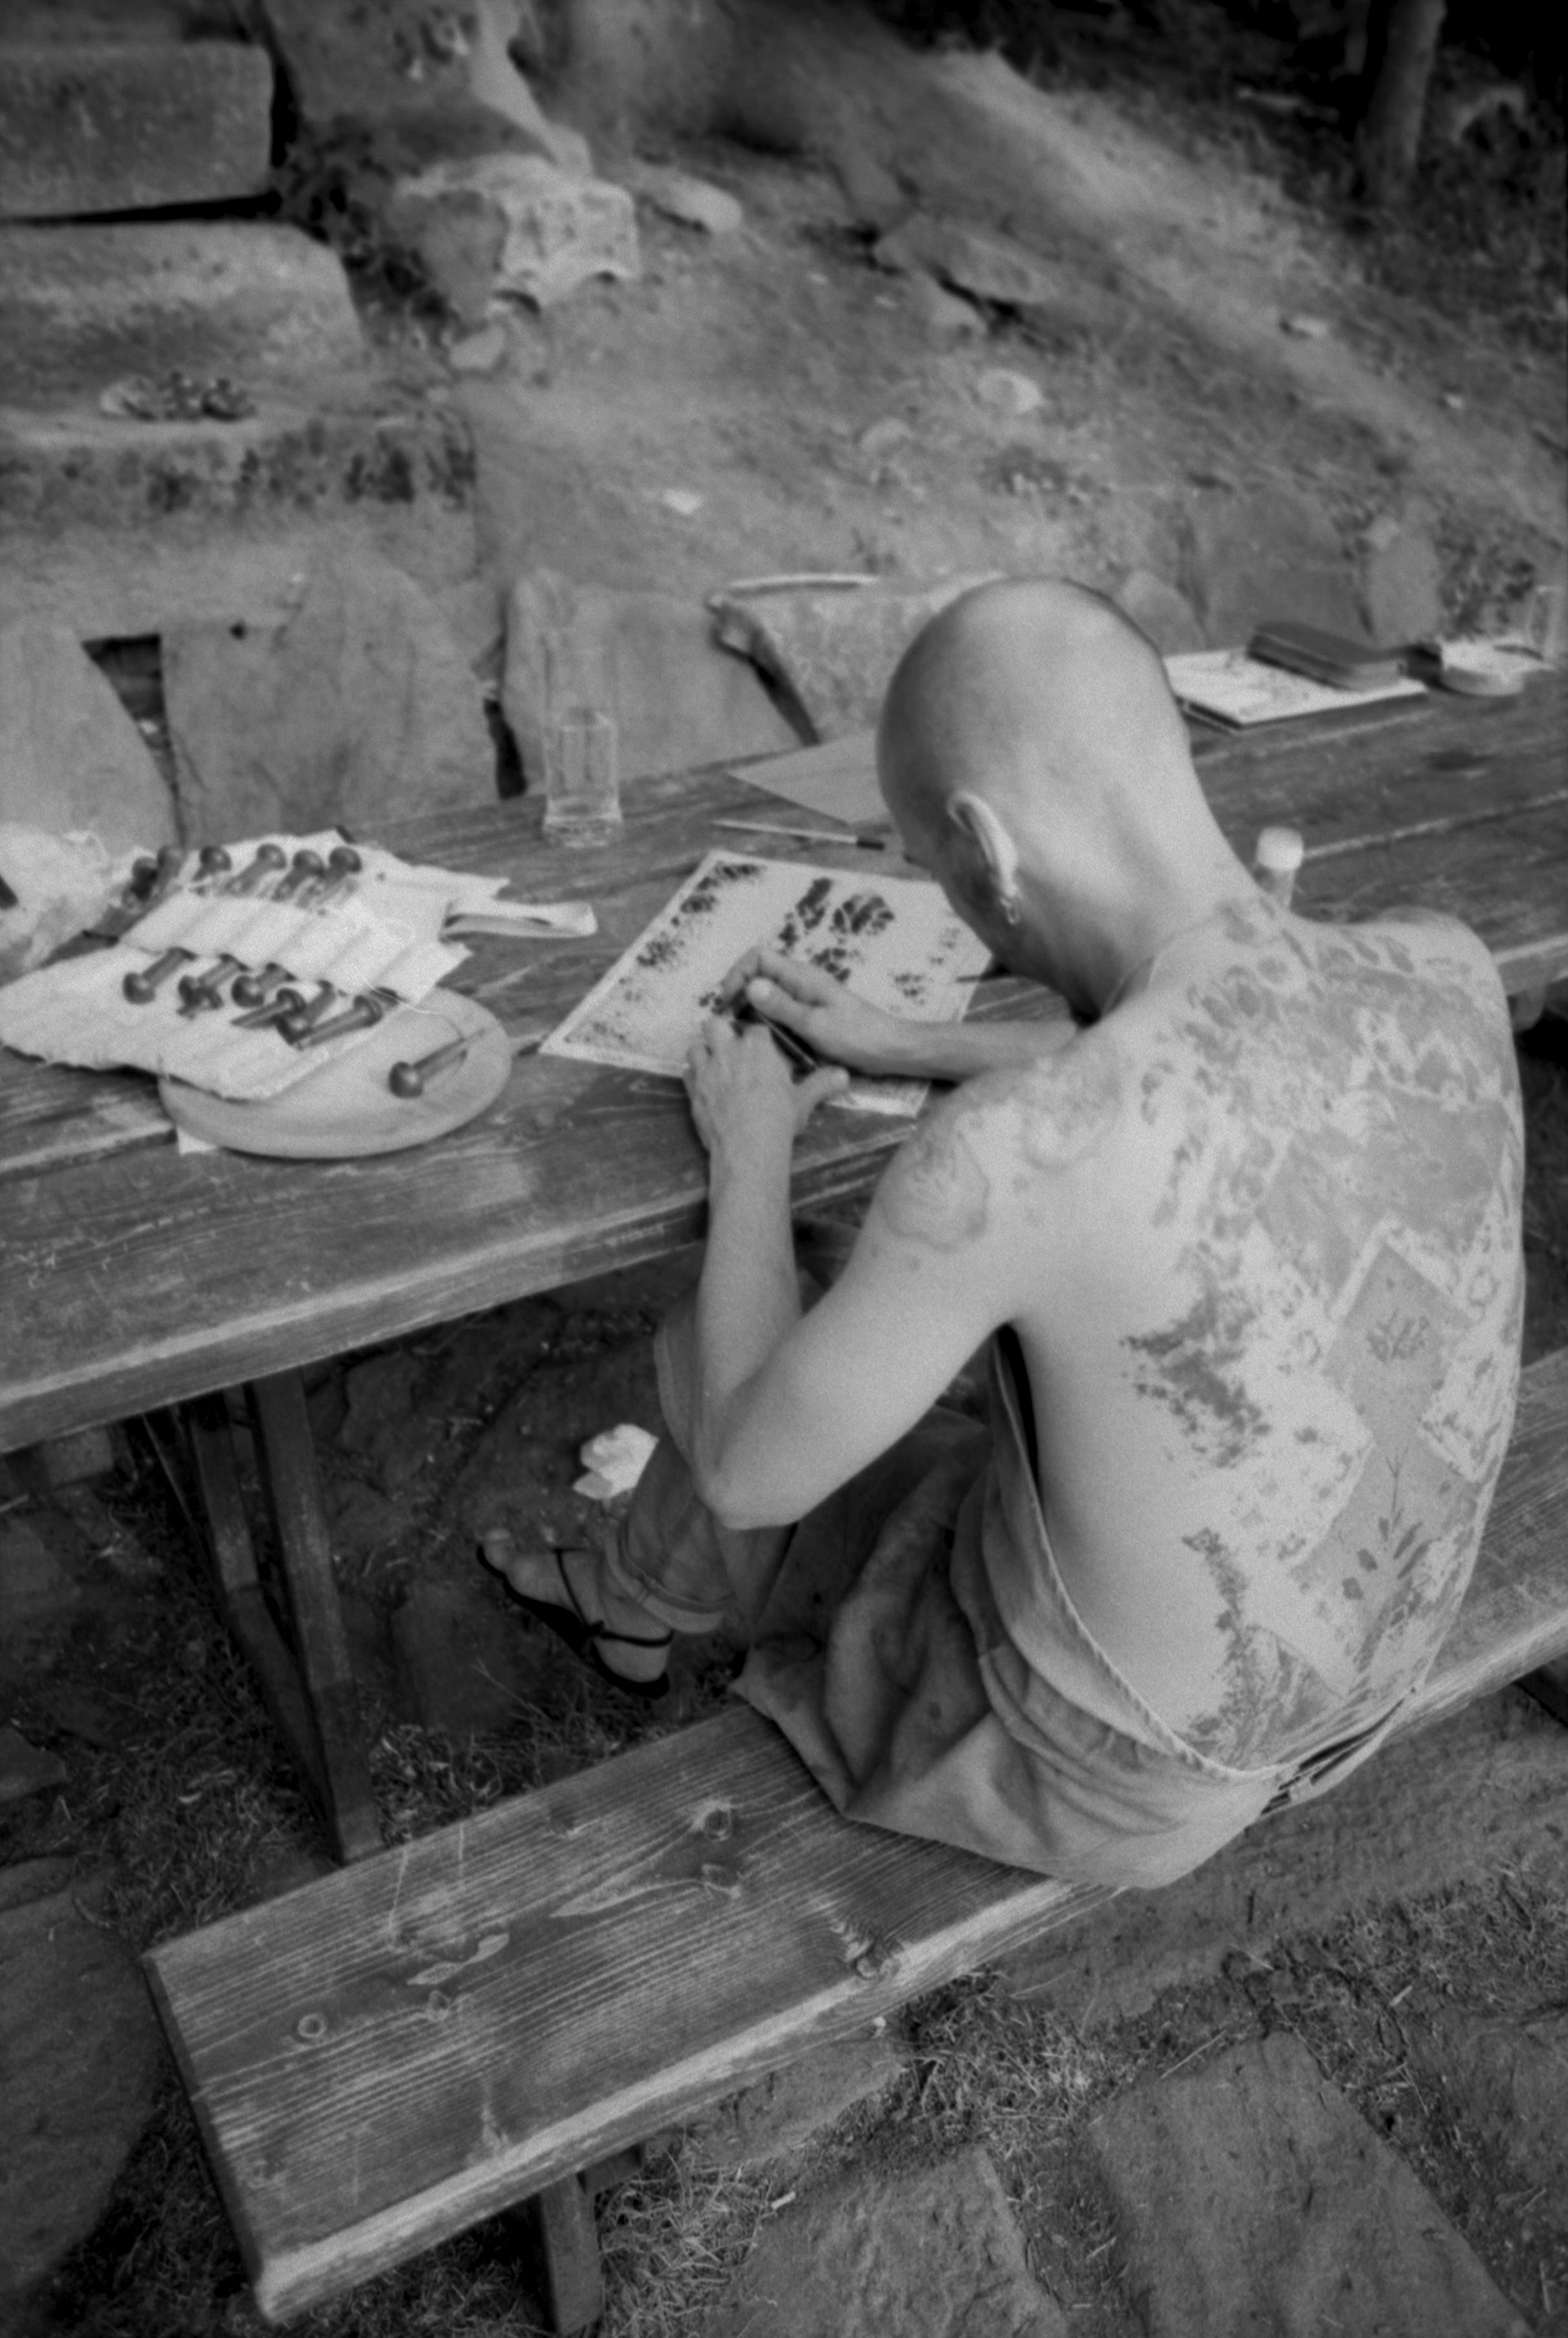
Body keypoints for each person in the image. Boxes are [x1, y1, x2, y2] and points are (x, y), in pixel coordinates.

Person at [483, 578, 1525, 1890]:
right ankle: (632, 1603)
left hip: (1107, 1768)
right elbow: (1206, 1058)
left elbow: (746, 1468)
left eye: (937, 873)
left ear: (985, 848)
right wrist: (908, 1039)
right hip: (1363, 1681)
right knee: (888, 1328)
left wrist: (750, 1150)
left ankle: (631, 1601)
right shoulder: (1445, 965)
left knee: (753, 1315)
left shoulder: (1009, 1152)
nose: (958, 904)